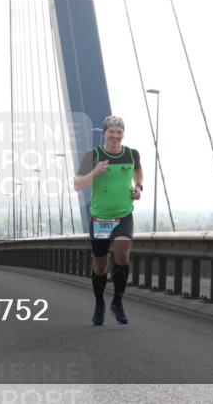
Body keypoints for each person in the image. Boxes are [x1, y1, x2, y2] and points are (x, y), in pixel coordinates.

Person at [74, 116, 142, 325]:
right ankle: (99, 304)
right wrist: (95, 172)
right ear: (104, 134)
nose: (115, 135)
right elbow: (78, 184)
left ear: (123, 134)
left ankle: (118, 302)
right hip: (101, 218)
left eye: (119, 132)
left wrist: (139, 187)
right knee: (101, 266)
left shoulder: (132, 154)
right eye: (111, 132)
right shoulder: (92, 155)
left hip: (123, 215)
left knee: (122, 252)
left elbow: (138, 170)